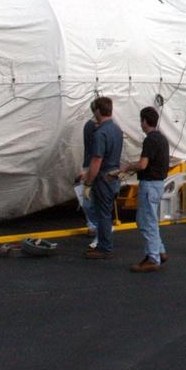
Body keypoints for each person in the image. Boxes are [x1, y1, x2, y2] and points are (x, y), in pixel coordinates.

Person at [121, 106, 169, 273]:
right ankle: (159, 250)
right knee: (151, 220)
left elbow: (142, 164)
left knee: (145, 222)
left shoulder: (150, 140)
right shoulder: (162, 139)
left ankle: (152, 257)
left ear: (144, 121)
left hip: (149, 184)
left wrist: (127, 167)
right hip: (158, 183)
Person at [80, 96, 123, 259]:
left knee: (102, 214)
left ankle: (105, 247)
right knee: (106, 212)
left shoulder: (101, 133)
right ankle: (104, 244)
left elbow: (97, 159)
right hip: (113, 175)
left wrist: (89, 181)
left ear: (98, 110)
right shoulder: (117, 129)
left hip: (103, 178)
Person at [76, 109, 100, 249]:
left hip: (90, 165)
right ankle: (96, 227)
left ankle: (95, 227)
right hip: (92, 165)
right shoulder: (96, 127)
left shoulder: (90, 126)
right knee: (90, 199)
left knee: (88, 199)